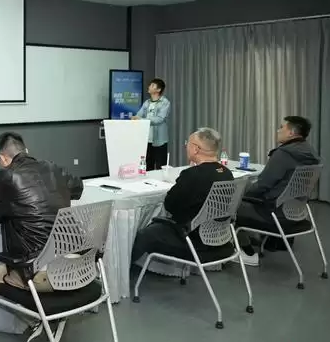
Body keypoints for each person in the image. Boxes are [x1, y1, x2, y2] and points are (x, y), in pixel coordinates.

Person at [0, 132, 83, 342]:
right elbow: (78, 188)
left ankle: (43, 321)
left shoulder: (7, 179)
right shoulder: (54, 169)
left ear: (3, 159)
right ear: (26, 151)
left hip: (41, 272)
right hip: (78, 265)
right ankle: (51, 319)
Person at [131, 128, 234, 266]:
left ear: (196, 149)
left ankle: (123, 272)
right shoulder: (227, 173)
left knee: (146, 235)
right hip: (220, 237)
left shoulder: (192, 175)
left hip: (192, 239)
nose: (186, 147)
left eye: (187, 143)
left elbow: (170, 205)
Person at [234, 116, 320, 266]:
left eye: (281, 127)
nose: (278, 130)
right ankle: (253, 238)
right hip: (296, 212)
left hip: (274, 213)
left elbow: (262, 185)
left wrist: (241, 195)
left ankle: (246, 252)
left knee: (231, 207)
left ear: (291, 133)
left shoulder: (284, 154)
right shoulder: (310, 152)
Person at [132, 78, 171, 171]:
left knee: (160, 166)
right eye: (150, 85)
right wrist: (135, 118)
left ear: (159, 89)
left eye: (152, 85)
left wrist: (141, 119)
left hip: (159, 140)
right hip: (146, 139)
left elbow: (159, 119)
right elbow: (139, 114)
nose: (149, 87)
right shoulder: (147, 102)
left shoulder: (165, 102)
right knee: (147, 166)